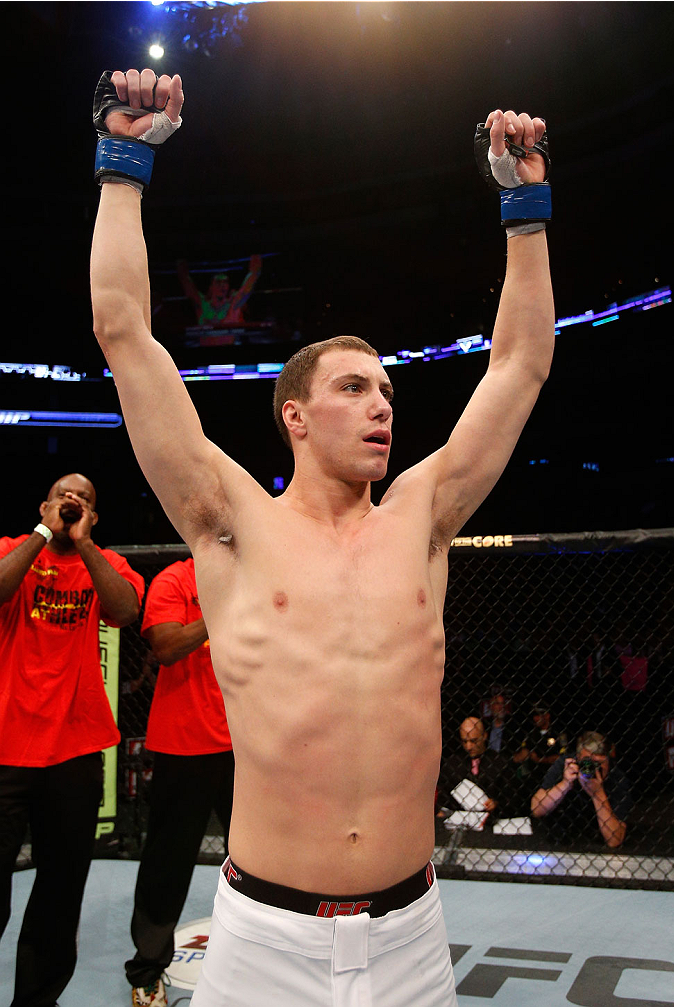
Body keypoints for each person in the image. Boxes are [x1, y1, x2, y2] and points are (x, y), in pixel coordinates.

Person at [90, 66, 553, 1007]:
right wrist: (123, 162)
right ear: (294, 417)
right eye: (354, 389)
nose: (382, 405)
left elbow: (522, 362)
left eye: (387, 390)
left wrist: (527, 207)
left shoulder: (422, 517)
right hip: (266, 941)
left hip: (414, 935)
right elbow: (125, 330)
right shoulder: (231, 527)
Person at [0, 473, 144, 1007]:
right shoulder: (13, 550)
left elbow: (126, 610)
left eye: (84, 498)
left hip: (74, 752)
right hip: (6, 748)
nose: (72, 501)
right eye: (64, 494)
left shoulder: (104, 563)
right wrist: (42, 532)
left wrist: (83, 544)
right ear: (43, 505)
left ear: (94, 516)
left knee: (59, 897)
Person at [125, 557, 234, 1007]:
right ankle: (148, 969)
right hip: (183, 745)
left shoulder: (257, 571)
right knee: (166, 866)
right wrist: (223, 610)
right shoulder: (175, 579)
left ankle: (269, 962)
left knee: (262, 863)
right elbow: (166, 646)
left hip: (247, 745)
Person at [531, 730, 632, 848]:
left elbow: (614, 840)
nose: (592, 768)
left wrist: (598, 793)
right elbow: (536, 809)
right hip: (560, 839)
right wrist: (565, 784)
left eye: (598, 763)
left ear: (608, 761)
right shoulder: (566, 765)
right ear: (578, 758)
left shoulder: (616, 778)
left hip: (598, 844)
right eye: (588, 762)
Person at [437, 717, 512, 831]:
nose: (468, 747)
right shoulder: (452, 764)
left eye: (473, 741)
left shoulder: (500, 763)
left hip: (490, 824)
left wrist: (496, 804)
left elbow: (512, 798)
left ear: (484, 736)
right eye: (464, 741)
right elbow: (442, 797)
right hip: (458, 824)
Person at [177, 255, 262, 329]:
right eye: (218, 282)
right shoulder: (203, 304)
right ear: (211, 287)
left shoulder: (233, 304)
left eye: (225, 282)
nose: (222, 285)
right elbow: (184, 278)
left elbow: (254, 275)